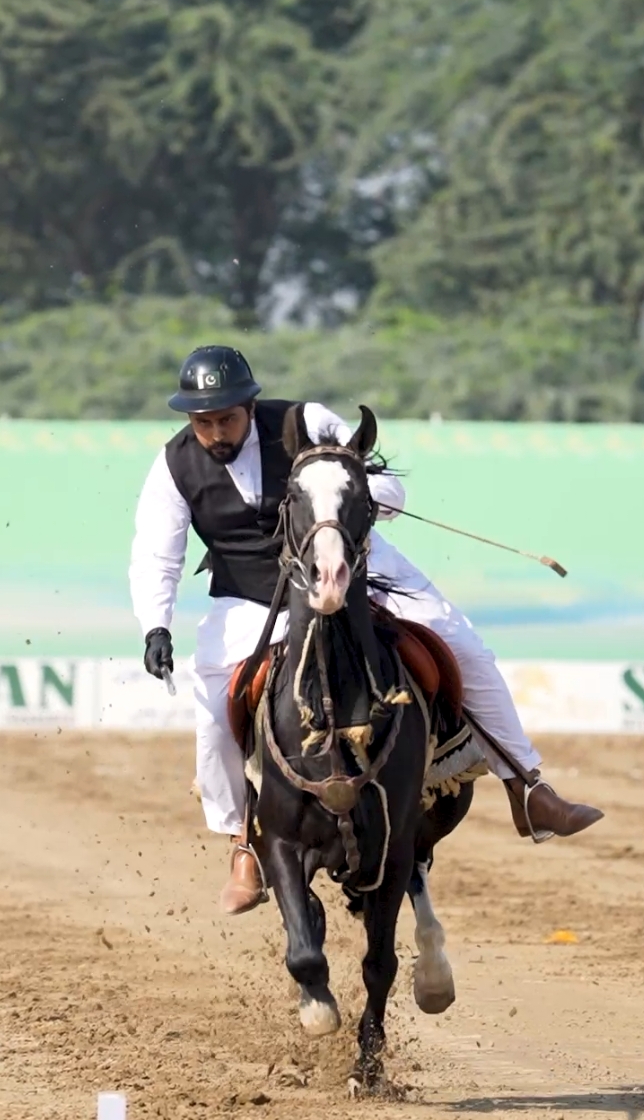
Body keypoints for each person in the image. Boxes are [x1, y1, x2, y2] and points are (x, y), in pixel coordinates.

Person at [129, 346, 603, 915]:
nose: (215, 432)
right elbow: (157, 553)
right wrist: (155, 624)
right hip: (251, 596)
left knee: (460, 641)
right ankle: (242, 846)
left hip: (358, 568)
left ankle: (527, 789)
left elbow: (392, 493)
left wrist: (344, 497)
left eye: (225, 418)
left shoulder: (309, 421)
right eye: (201, 422)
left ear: (249, 405)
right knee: (210, 702)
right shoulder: (173, 464)